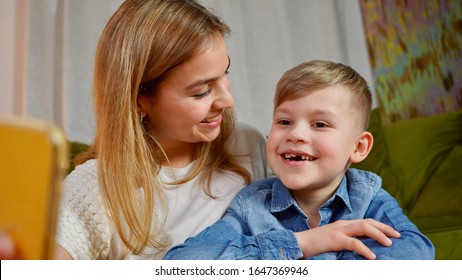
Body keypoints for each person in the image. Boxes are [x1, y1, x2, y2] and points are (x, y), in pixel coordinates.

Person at [0, 1, 405, 260]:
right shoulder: (97, 187)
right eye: (201, 90)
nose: (226, 100)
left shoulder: (246, 144)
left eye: (224, 77)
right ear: (141, 98)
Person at [164, 60, 435, 260]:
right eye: (284, 121)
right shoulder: (251, 204)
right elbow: (183, 263)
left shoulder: (368, 197)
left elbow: (417, 253)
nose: (296, 134)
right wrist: (299, 244)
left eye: (319, 124)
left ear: (359, 146)